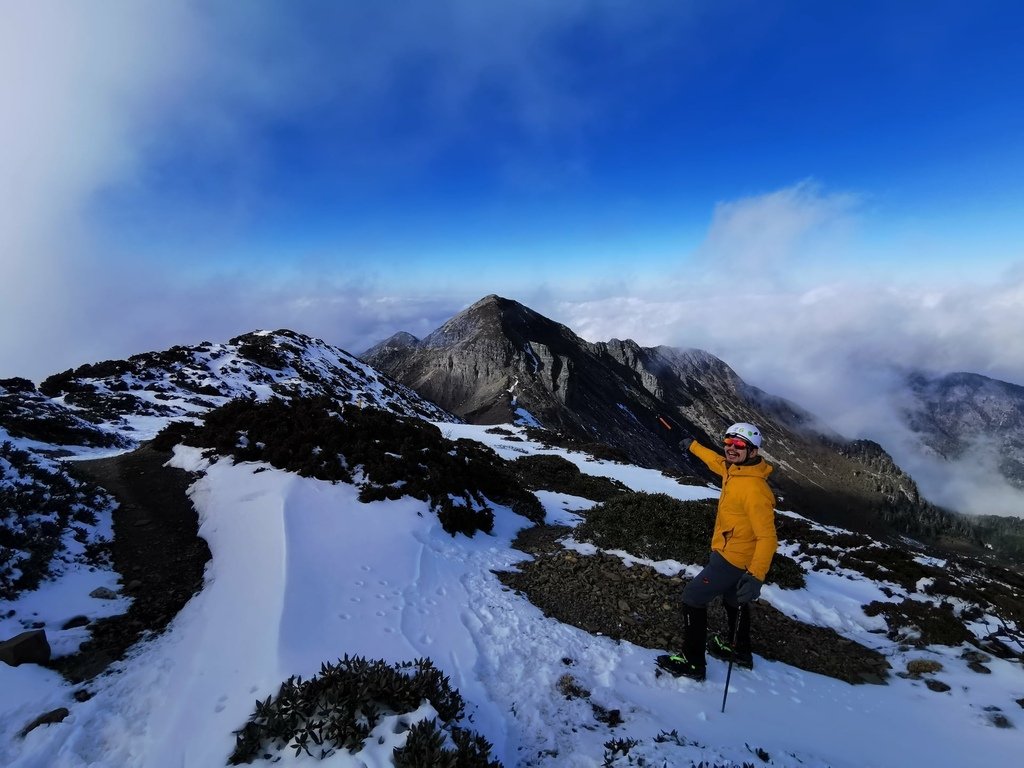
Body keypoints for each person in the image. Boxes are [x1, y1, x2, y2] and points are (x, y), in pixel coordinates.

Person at [656, 421, 778, 681]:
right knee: (733, 600)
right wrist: (693, 445)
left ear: (753, 451)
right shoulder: (735, 470)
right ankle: (740, 651)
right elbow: (715, 461)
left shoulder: (755, 490)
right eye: (728, 443)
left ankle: (693, 663)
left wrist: (756, 576)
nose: (731, 449)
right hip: (733, 552)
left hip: (732, 558)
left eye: (738, 445)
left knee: (693, 597)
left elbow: (767, 537)